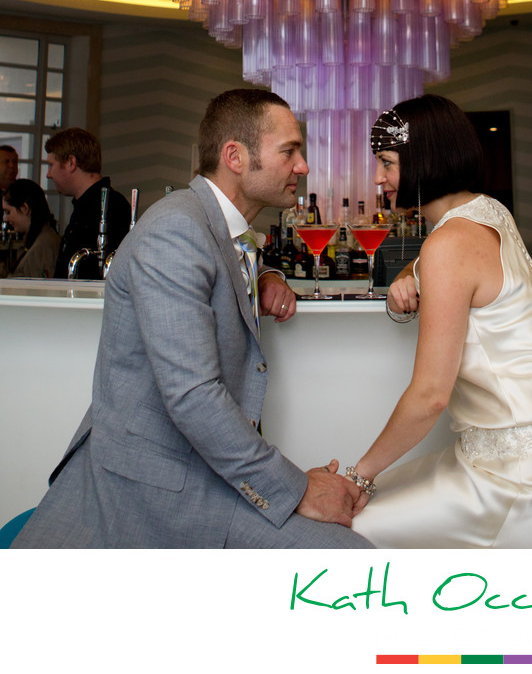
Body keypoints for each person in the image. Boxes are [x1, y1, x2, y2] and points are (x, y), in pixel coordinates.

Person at [13, 89, 369, 549]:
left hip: (204, 470)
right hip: (154, 487)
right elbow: (193, 395)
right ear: (235, 157)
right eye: (289, 151)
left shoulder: (221, 228)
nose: (302, 166)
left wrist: (267, 275)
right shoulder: (176, 230)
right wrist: (296, 489)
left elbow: (228, 267)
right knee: (352, 558)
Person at [348, 95, 532, 549]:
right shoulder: (491, 214)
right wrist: (413, 271)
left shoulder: (448, 244)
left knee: (347, 528)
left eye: (387, 163)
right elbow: (474, 270)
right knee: (389, 496)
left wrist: (357, 478)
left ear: (423, 158)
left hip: (527, 490)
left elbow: (430, 397)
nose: (378, 179)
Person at [45, 128, 131, 278]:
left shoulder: (110, 207)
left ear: (71, 163)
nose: (48, 174)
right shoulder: (88, 205)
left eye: (51, 165)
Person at [2, 179, 61, 278]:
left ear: (25, 208)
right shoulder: (37, 241)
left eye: (8, 212)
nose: (6, 219)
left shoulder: (43, 247)